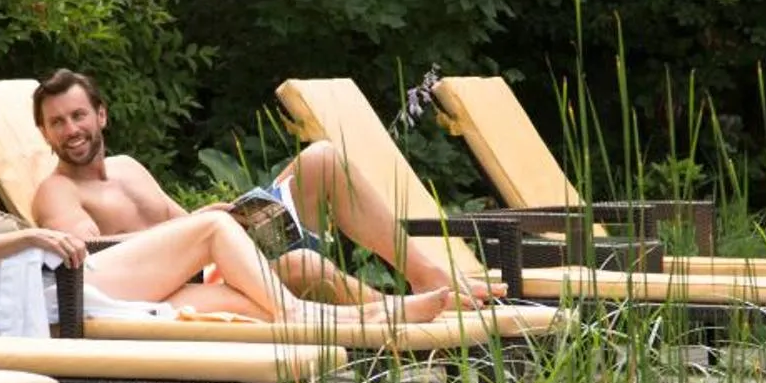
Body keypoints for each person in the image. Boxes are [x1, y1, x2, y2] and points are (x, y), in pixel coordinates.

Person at [0, 113, 448, 326]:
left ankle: (391, 316)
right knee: (216, 232)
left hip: (74, 286)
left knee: (253, 310)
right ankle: (316, 309)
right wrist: (32, 232)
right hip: (59, 292)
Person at [26, 68, 497, 305]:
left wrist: (215, 216)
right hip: (186, 282)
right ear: (46, 134)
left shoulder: (129, 166)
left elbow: (177, 225)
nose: (71, 130)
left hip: (217, 251)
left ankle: (424, 272)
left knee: (322, 159)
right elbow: (88, 257)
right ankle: (400, 311)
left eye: (78, 115)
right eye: (57, 123)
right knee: (302, 263)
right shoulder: (57, 192)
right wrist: (202, 232)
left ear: (101, 115)